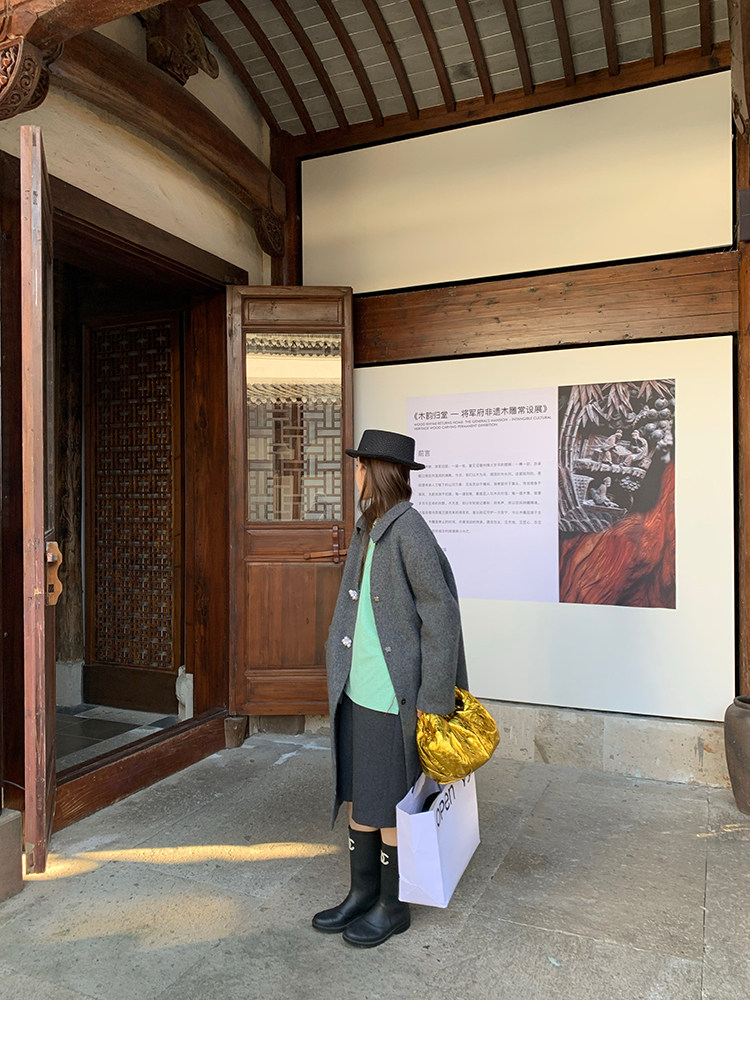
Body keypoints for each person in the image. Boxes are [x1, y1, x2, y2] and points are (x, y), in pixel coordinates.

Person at [312, 429, 469, 948]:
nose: (354, 473)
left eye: (359, 466)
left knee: (391, 804)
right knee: (360, 793)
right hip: (358, 689)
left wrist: (433, 701)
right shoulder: (369, 526)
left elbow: (442, 616)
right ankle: (362, 893)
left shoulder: (410, 531)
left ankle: (392, 905)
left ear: (374, 472)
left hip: (391, 698)